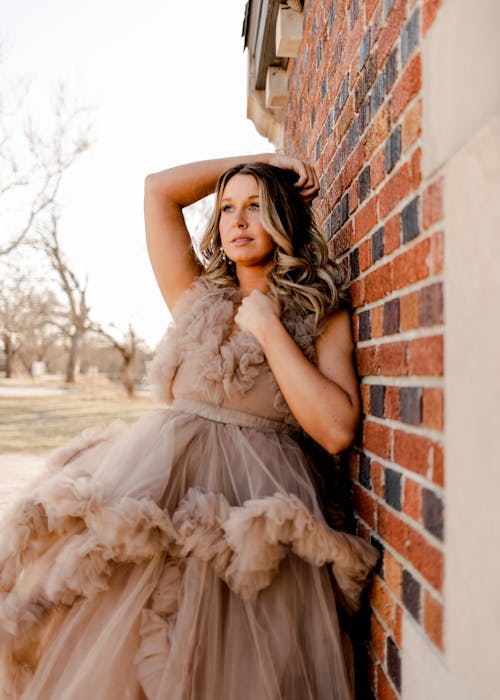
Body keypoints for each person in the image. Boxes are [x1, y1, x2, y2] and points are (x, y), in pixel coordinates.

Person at [0, 153, 378, 699]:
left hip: (253, 519)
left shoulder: (319, 311)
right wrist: (262, 162)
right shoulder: (196, 294)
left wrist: (270, 331)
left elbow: (337, 429)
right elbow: (158, 190)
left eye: (255, 206)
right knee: (130, 654)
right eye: (227, 208)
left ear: (284, 218)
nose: (238, 220)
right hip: (161, 492)